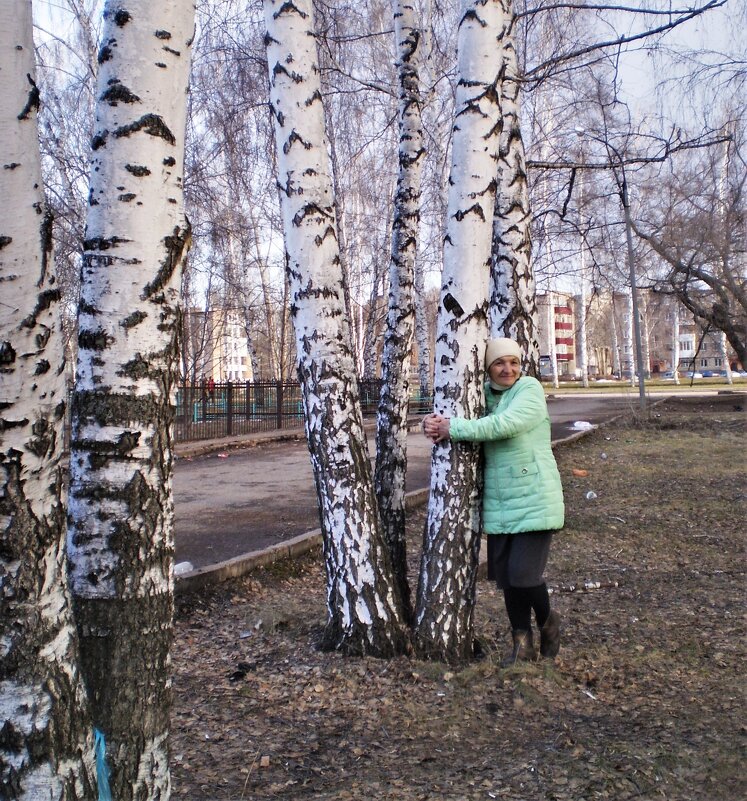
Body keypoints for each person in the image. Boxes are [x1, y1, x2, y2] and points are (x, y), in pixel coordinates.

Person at [422, 337, 564, 665]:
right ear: (488, 368)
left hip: (535, 498)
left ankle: (548, 621)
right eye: (499, 363)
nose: (507, 369)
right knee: (507, 580)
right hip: (499, 502)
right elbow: (452, 414)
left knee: (524, 575)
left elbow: (504, 425)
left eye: (513, 362)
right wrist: (430, 423)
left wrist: (452, 428)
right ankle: (522, 645)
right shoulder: (482, 395)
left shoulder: (529, 390)